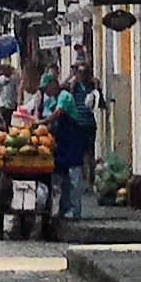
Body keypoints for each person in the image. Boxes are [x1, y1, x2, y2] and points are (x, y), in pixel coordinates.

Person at [50, 72, 96, 224]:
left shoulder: (64, 96)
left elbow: (58, 113)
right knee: (63, 178)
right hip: (63, 142)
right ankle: (64, 208)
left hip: (73, 139)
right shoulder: (53, 99)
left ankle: (76, 211)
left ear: (53, 84)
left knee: (75, 177)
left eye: (46, 88)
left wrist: (42, 122)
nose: (46, 92)